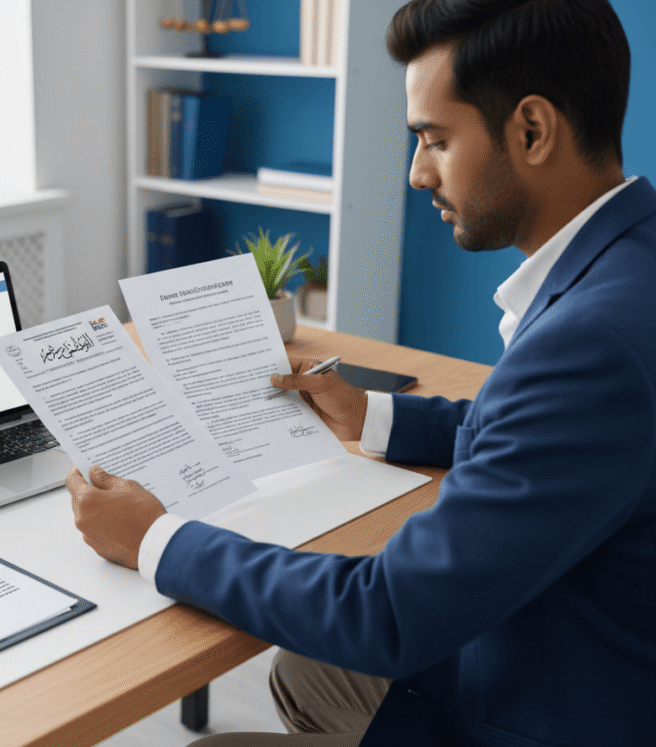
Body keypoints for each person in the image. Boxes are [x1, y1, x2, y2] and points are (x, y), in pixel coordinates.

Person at [67, 0, 656, 744]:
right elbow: (538, 436)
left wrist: (156, 538)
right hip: (574, 641)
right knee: (301, 671)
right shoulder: (632, 262)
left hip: (544, 700)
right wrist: (370, 413)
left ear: (532, 130)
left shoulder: (588, 347)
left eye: (435, 140)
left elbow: (386, 613)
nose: (417, 174)